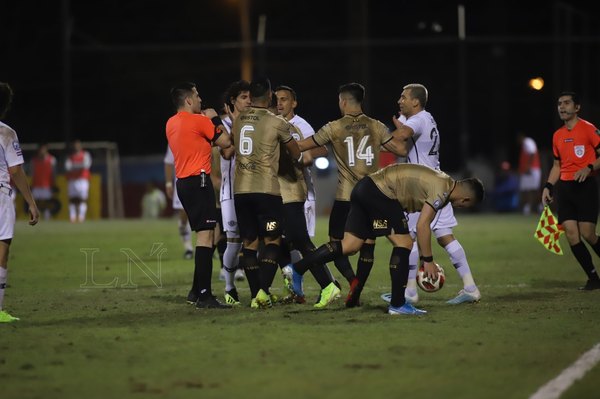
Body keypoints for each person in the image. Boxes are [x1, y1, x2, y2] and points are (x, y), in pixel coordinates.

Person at [290, 163, 484, 315]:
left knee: (350, 245)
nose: (460, 208)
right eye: (465, 206)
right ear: (466, 200)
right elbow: (422, 225)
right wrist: (428, 261)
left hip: (363, 188)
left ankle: (298, 268)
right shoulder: (443, 189)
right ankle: (398, 304)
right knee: (405, 242)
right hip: (380, 193)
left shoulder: (444, 181)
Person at [294, 82, 407, 307]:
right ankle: (356, 292)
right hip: (372, 197)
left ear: (343, 102)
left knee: (336, 244)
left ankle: (307, 269)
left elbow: (302, 145)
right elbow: (401, 149)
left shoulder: (333, 127)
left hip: (346, 197)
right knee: (368, 244)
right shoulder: (376, 127)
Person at [383, 83, 481, 305]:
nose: (399, 101)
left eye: (403, 97)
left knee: (409, 238)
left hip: (421, 190)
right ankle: (470, 287)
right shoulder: (427, 118)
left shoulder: (417, 120)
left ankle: (409, 291)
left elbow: (403, 135)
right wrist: (400, 124)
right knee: (445, 236)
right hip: (440, 185)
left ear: (415, 102)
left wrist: (382, 137)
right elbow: (406, 132)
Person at [232, 77, 310, 309]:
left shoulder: (237, 121)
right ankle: (262, 293)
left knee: (249, 242)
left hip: (241, 190)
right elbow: (296, 153)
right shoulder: (276, 122)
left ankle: (258, 294)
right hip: (266, 189)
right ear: (268, 96)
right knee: (273, 240)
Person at [165, 81, 235, 308]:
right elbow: (225, 142)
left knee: (209, 234)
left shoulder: (171, 123)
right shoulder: (200, 121)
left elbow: (196, 142)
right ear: (188, 100)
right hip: (200, 181)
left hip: (183, 183)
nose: (200, 99)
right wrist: (215, 119)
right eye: (196, 96)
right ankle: (205, 295)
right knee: (206, 237)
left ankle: (196, 291)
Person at [274, 84, 336, 303]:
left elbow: (321, 149)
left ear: (294, 103)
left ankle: (329, 283)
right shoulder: (274, 123)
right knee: (280, 242)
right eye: (277, 99)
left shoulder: (300, 125)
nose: (280, 103)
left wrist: (298, 152)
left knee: (301, 242)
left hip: (301, 193)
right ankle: (296, 291)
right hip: (281, 194)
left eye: (284, 99)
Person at [542, 91, 600, 290]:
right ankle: (593, 278)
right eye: (559, 104)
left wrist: (589, 167)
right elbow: (557, 166)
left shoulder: (589, 129)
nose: (562, 107)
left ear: (577, 108)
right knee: (571, 234)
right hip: (566, 189)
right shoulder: (557, 135)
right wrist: (548, 186)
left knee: (588, 234)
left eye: (567, 103)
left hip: (586, 187)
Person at [0, 82, 40, 323]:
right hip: (1, 196)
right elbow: (15, 171)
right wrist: (31, 202)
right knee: (1, 252)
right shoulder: (6, 133)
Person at [217, 80, 252, 306]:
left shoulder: (254, 121)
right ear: (232, 101)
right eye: (243, 97)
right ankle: (229, 287)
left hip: (253, 189)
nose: (248, 101)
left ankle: (261, 289)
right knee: (234, 242)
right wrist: (238, 123)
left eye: (250, 97)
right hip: (231, 191)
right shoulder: (222, 125)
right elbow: (228, 152)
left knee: (256, 241)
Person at [164, 146, 194, 259]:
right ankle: (188, 246)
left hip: (200, 179)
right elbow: (168, 162)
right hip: (181, 180)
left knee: (206, 214)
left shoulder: (199, 133)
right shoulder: (175, 136)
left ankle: (209, 247)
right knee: (183, 215)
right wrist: (168, 183)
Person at [65, 139, 92, 223]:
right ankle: (72, 217)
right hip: (72, 180)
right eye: (75, 145)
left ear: (80, 146)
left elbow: (86, 165)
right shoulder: (70, 156)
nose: (76, 147)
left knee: (82, 199)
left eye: (78, 145)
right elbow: (67, 167)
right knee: (72, 199)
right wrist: (79, 166)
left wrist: (74, 166)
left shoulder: (85, 154)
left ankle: (81, 217)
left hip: (83, 180)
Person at [30, 142, 57, 220]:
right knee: (36, 203)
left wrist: (53, 184)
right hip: (36, 185)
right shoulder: (34, 161)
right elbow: (32, 174)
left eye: (43, 149)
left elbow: (53, 174)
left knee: (47, 202)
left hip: (47, 185)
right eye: (41, 149)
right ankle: (36, 217)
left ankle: (47, 216)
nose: (42, 151)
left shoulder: (52, 160)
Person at [517, 133, 542, 215]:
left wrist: (528, 166)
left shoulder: (528, 141)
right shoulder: (524, 144)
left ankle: (540, 206)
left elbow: (532, 153)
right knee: (526, 189)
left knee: (534, 189)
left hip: (532, 169)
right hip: (527, 170)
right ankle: (527, 208)